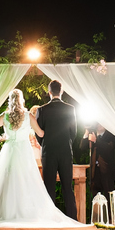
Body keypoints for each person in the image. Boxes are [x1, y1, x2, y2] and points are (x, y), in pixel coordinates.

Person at [0, 89, 87, 228]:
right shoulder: (28, 116)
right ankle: (26, 212)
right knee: (26, 180)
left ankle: (7, 212)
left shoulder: (5, 116)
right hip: (24, 151)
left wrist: (2, 137)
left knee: (8, 180)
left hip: (9, 150)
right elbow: (41, 133)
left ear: (10, 100)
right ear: (22, 100)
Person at [35, 80, 79, 219]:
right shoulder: (70, 109)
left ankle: (49, 219)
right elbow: (74, 132)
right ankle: (72, 219)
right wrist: (67, 143)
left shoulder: (42, 110)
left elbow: (39, 133)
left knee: (49, 188)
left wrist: (46, 144)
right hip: (66, 151)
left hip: (49, 152)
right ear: (61, 92)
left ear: (49, 92)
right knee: (67, 187)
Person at [81, 123, 115, 198]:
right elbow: (82, 147)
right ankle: (96, 209)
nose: (99, 124)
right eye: (97, 123)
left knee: (109, 196)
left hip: (107, 172)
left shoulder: (111, 135)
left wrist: (96, 140)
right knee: (95, 196)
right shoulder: (92, 135)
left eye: (101, 122)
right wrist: (87, 132)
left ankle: (109, 210)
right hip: (95, 172)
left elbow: (108, 148)